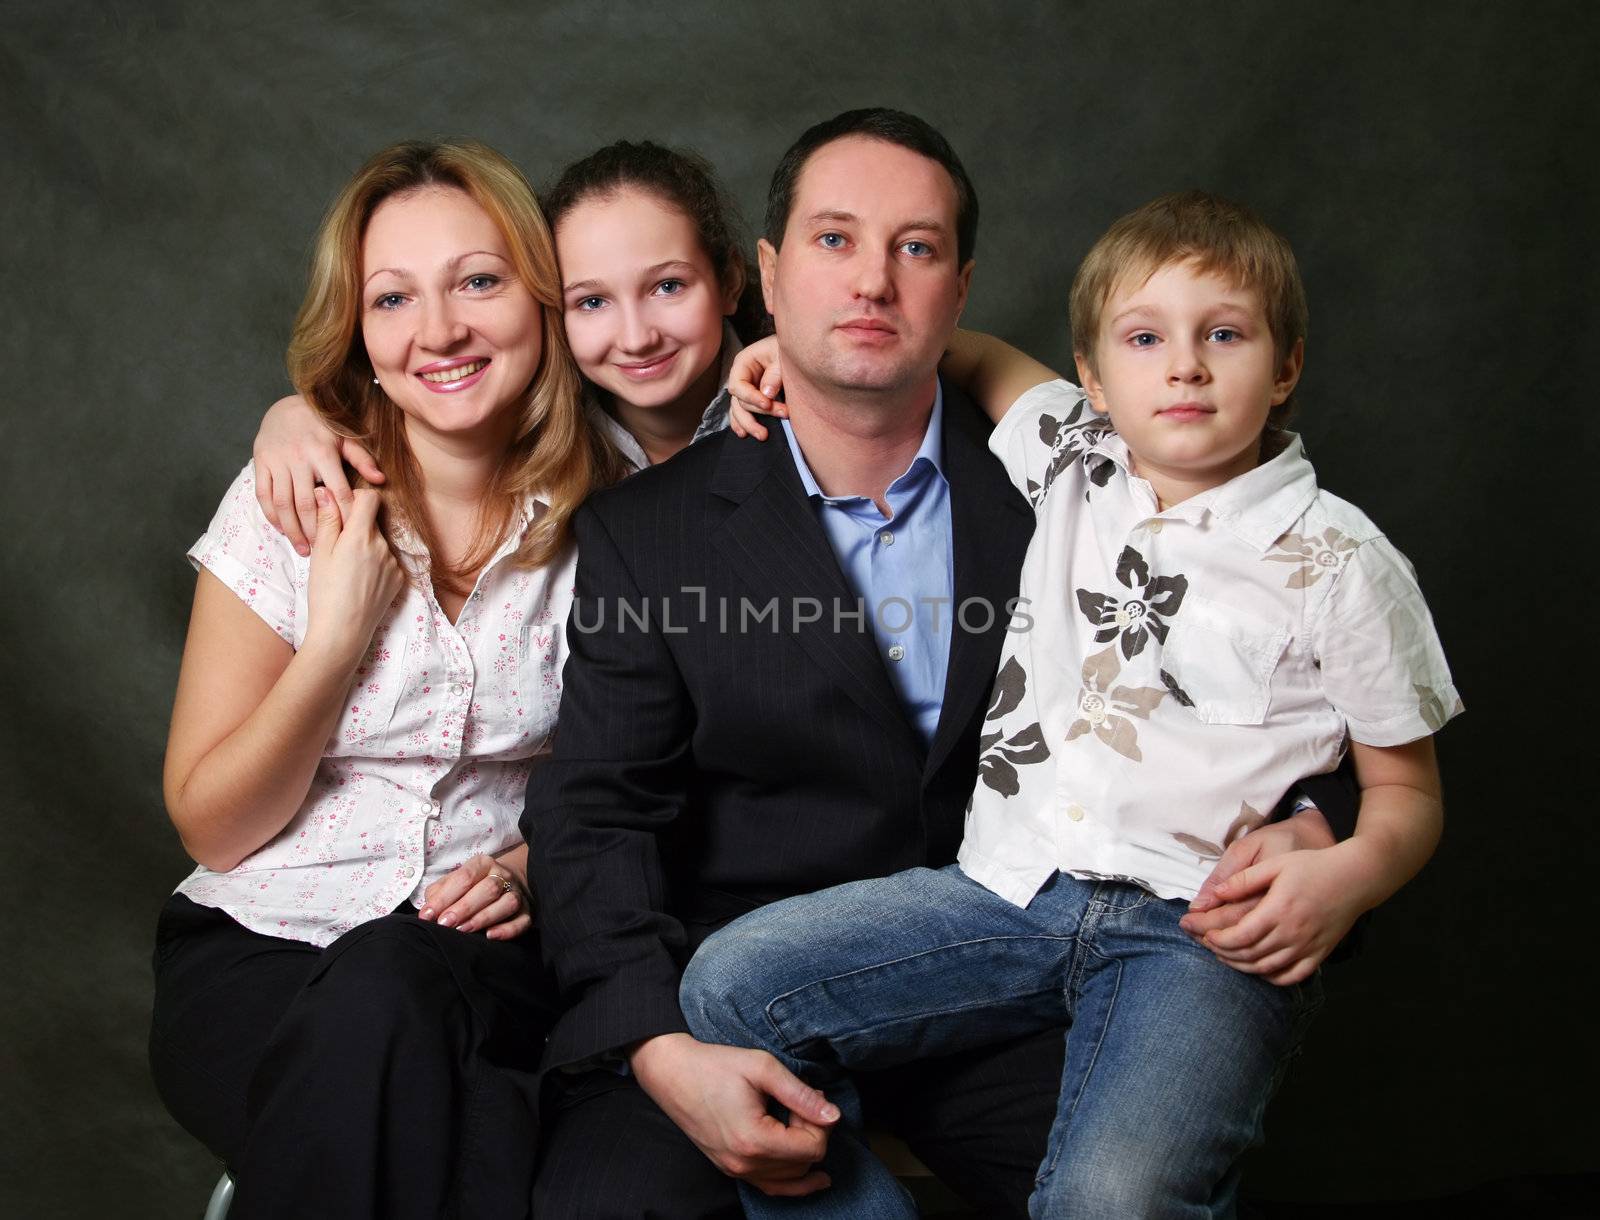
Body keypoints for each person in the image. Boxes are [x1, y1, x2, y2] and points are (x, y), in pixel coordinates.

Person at [520, 112, 1353, 1219]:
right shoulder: (650, 532)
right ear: (765, 278)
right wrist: (658, 1042)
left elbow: (1285, 673)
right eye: (832, 241)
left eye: (913, 248)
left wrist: (1312, 819)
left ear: (959, 291)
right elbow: (593, 814)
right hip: (739, 990)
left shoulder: (1078, 488)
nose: (872, 280)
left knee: (1140, 1193)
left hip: (1016, 980)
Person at [681, 190, 1462, 1217]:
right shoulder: (1069, 460)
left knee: (1109, 1196)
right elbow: (968, 356)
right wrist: (804, 354)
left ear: (1284, 366)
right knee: (732, 983)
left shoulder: (1342, 559)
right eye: (1144, 338)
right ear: (1093, 376)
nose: (1183, 364)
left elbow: (1405, 791)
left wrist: (1351, 875)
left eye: (1222, 333)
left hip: (1200, 932)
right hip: (1008, 889)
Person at [149, 138, 613, 1220]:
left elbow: (660, 772)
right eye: (392, 298)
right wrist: (334, 641)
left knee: (401, 997)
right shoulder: (289, 502)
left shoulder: (626, 511)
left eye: (479, 282)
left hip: (484, 952)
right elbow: (214, 829)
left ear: (544, 300)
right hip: (257, 953)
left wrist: (538, 864)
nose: (438, 330)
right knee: (454, 1101)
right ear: (358, 332)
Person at [249, 139, 760, 545]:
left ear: (730, 281)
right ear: (554, 307)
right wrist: (296, 413)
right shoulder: (558, 438)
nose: (635, 337)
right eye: (591, 302)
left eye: (668, 287)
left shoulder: (799, 397)